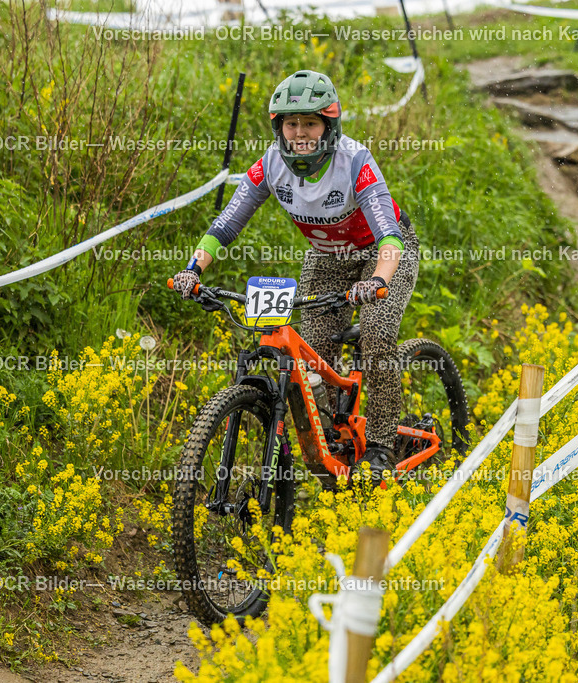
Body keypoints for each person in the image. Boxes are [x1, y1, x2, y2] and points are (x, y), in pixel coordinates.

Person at [173, 69, 420, 482]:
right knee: (314, 353)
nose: (300, 133)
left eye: (310, 122)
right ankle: (331, 441)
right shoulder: (271, 164)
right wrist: (193, 269)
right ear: (279, 127)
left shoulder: (355, 161)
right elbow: (227, 222)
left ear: (329, 125)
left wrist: (377, 281)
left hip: (383, 255)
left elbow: (388, 232)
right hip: (327, 258)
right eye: (292, 123)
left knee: (377, 333)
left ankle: (379, 445)